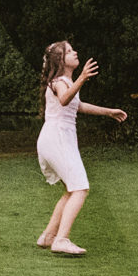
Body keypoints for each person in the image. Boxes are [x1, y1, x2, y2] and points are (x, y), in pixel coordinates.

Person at [35, 40, 128, 256]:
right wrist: (83, 77)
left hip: (58, 138)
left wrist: (108, 112)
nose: (75, 52)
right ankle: (62, 239)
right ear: (60, 60)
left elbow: (78, 105)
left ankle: (49, 236)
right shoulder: (59, 82)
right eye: (69, 51)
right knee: (80, 188)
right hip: (57, 137)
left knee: (71, 189)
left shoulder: (66, 81)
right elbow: (66, 99)